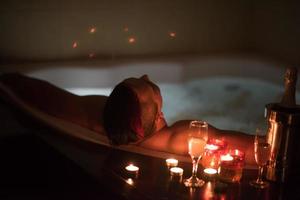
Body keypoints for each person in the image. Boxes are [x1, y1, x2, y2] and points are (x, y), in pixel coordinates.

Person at [0, 73, 255, 165]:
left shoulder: (98, 114)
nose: (145, 76)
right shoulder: (182, 136)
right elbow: (261, 150)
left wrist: (12, 79)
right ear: (158, 119)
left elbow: (49, 97)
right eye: (151, 87)